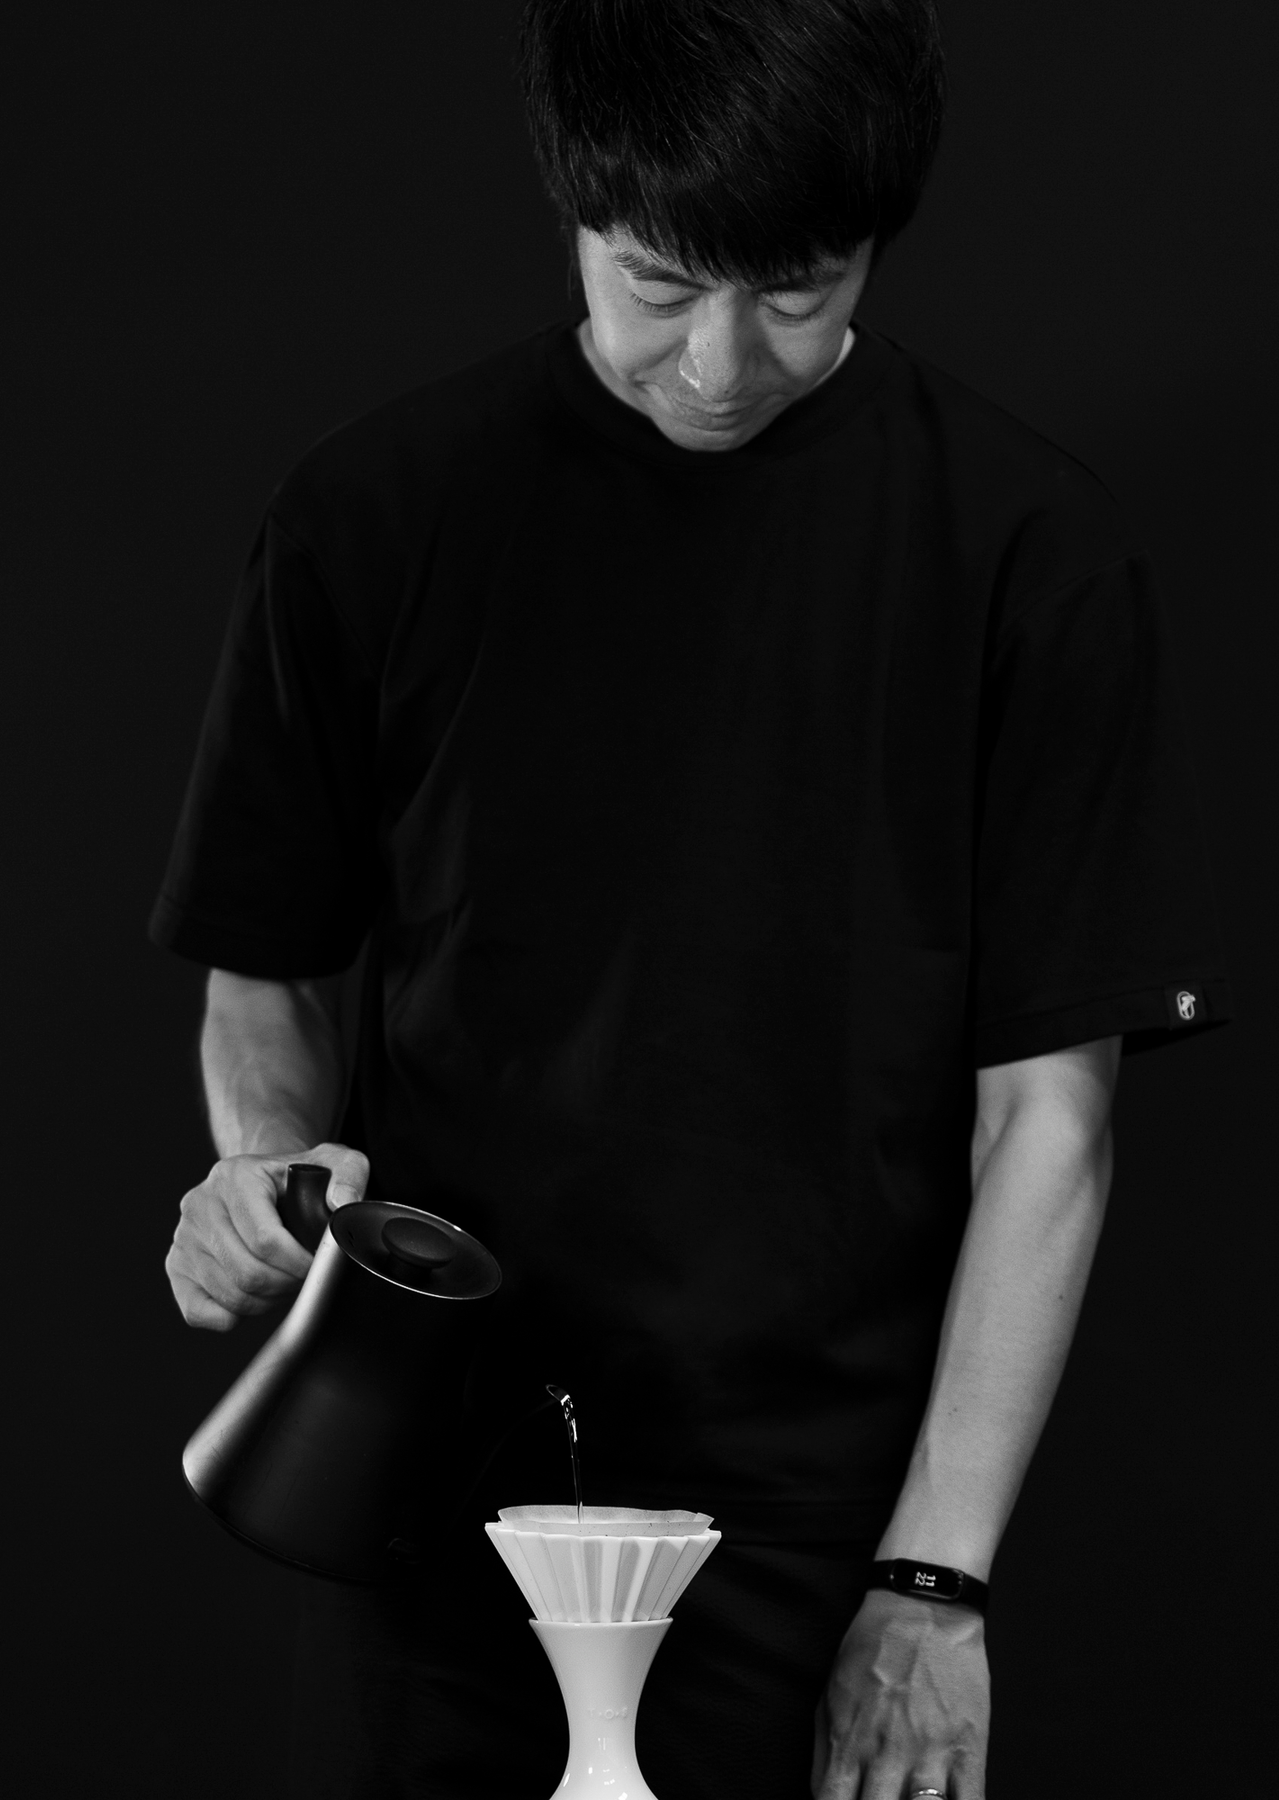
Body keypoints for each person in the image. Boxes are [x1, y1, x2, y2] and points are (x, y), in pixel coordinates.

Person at [151, 3, 1230, 1795]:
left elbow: (1050, 1114)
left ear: (874, 245)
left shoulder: (1031, 555)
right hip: (434, 1480)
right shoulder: (375, 513)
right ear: (574, 209)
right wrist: (262, 1168)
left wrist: (932, 1581)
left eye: (796, 292)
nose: (721, 364)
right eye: (659, 285)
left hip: (825, 1522)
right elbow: (268, 967)